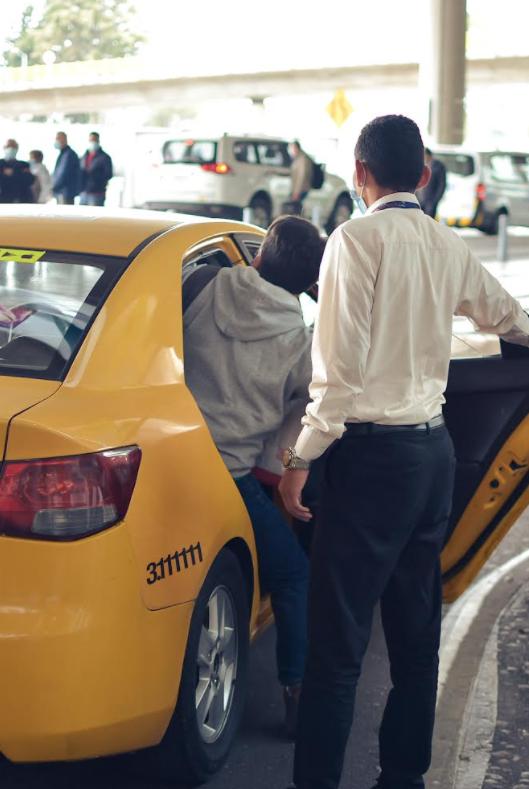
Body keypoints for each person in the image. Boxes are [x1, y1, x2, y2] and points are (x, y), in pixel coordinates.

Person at [277, 115, 529, 789]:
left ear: (359, 173)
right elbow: (498, 308)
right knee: (416, 640)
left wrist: (300, 459)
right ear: (422, 175)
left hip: (367, 463)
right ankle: (403, 777)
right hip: (432, 457)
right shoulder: (445, 242)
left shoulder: (353, 241)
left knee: (336, 651)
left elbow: (338, 375)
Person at [183, 215, 325, 737]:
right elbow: (312, 410)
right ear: (309, 285)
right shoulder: (302, 344)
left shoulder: (201, 284)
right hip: (231, 476)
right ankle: (297, 693)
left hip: (169, 459)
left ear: (260, 254)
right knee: (292, 574)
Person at [0, 139, 36, 203]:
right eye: (8, 146)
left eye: (13, 146)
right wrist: (20, 173)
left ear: (17, 148)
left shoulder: (24, 164)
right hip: (2, 199)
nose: (11, 149)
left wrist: (12, 172)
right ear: (4, 148)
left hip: (21, 199)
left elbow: (29, 180)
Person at [79, 131, 113, 206]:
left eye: (95, 140)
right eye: (91, 140)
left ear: (98, 141)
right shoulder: (84, 157)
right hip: (84, 193)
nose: (93, 142)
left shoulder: (105, 157)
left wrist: (96, 176)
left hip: (97, 194)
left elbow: (108, 174)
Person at [416, 147, 447, 219]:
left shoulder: (438, 166)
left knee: (429, 219)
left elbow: (442, 184)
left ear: (428, 155)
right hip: (420, 199)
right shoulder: (420, 165)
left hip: (431, 200)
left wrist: (436, 199)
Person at [52, 131, 81, 205]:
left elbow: (64, 174)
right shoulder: (63, 154)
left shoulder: (69, 155)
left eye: (58, 139)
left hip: (65, 192)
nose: (56, 141)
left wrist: (54, 187)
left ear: (64, 139)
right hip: (62, 192)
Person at [289, 141, 315, 213]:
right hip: (297, 189)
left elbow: (301, 176)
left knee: (297, 209)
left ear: (296, 148)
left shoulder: (302, 159)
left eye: (292, 148)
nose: (290, 150)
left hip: (301, 189)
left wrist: (296, 192)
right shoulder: (297, 158)